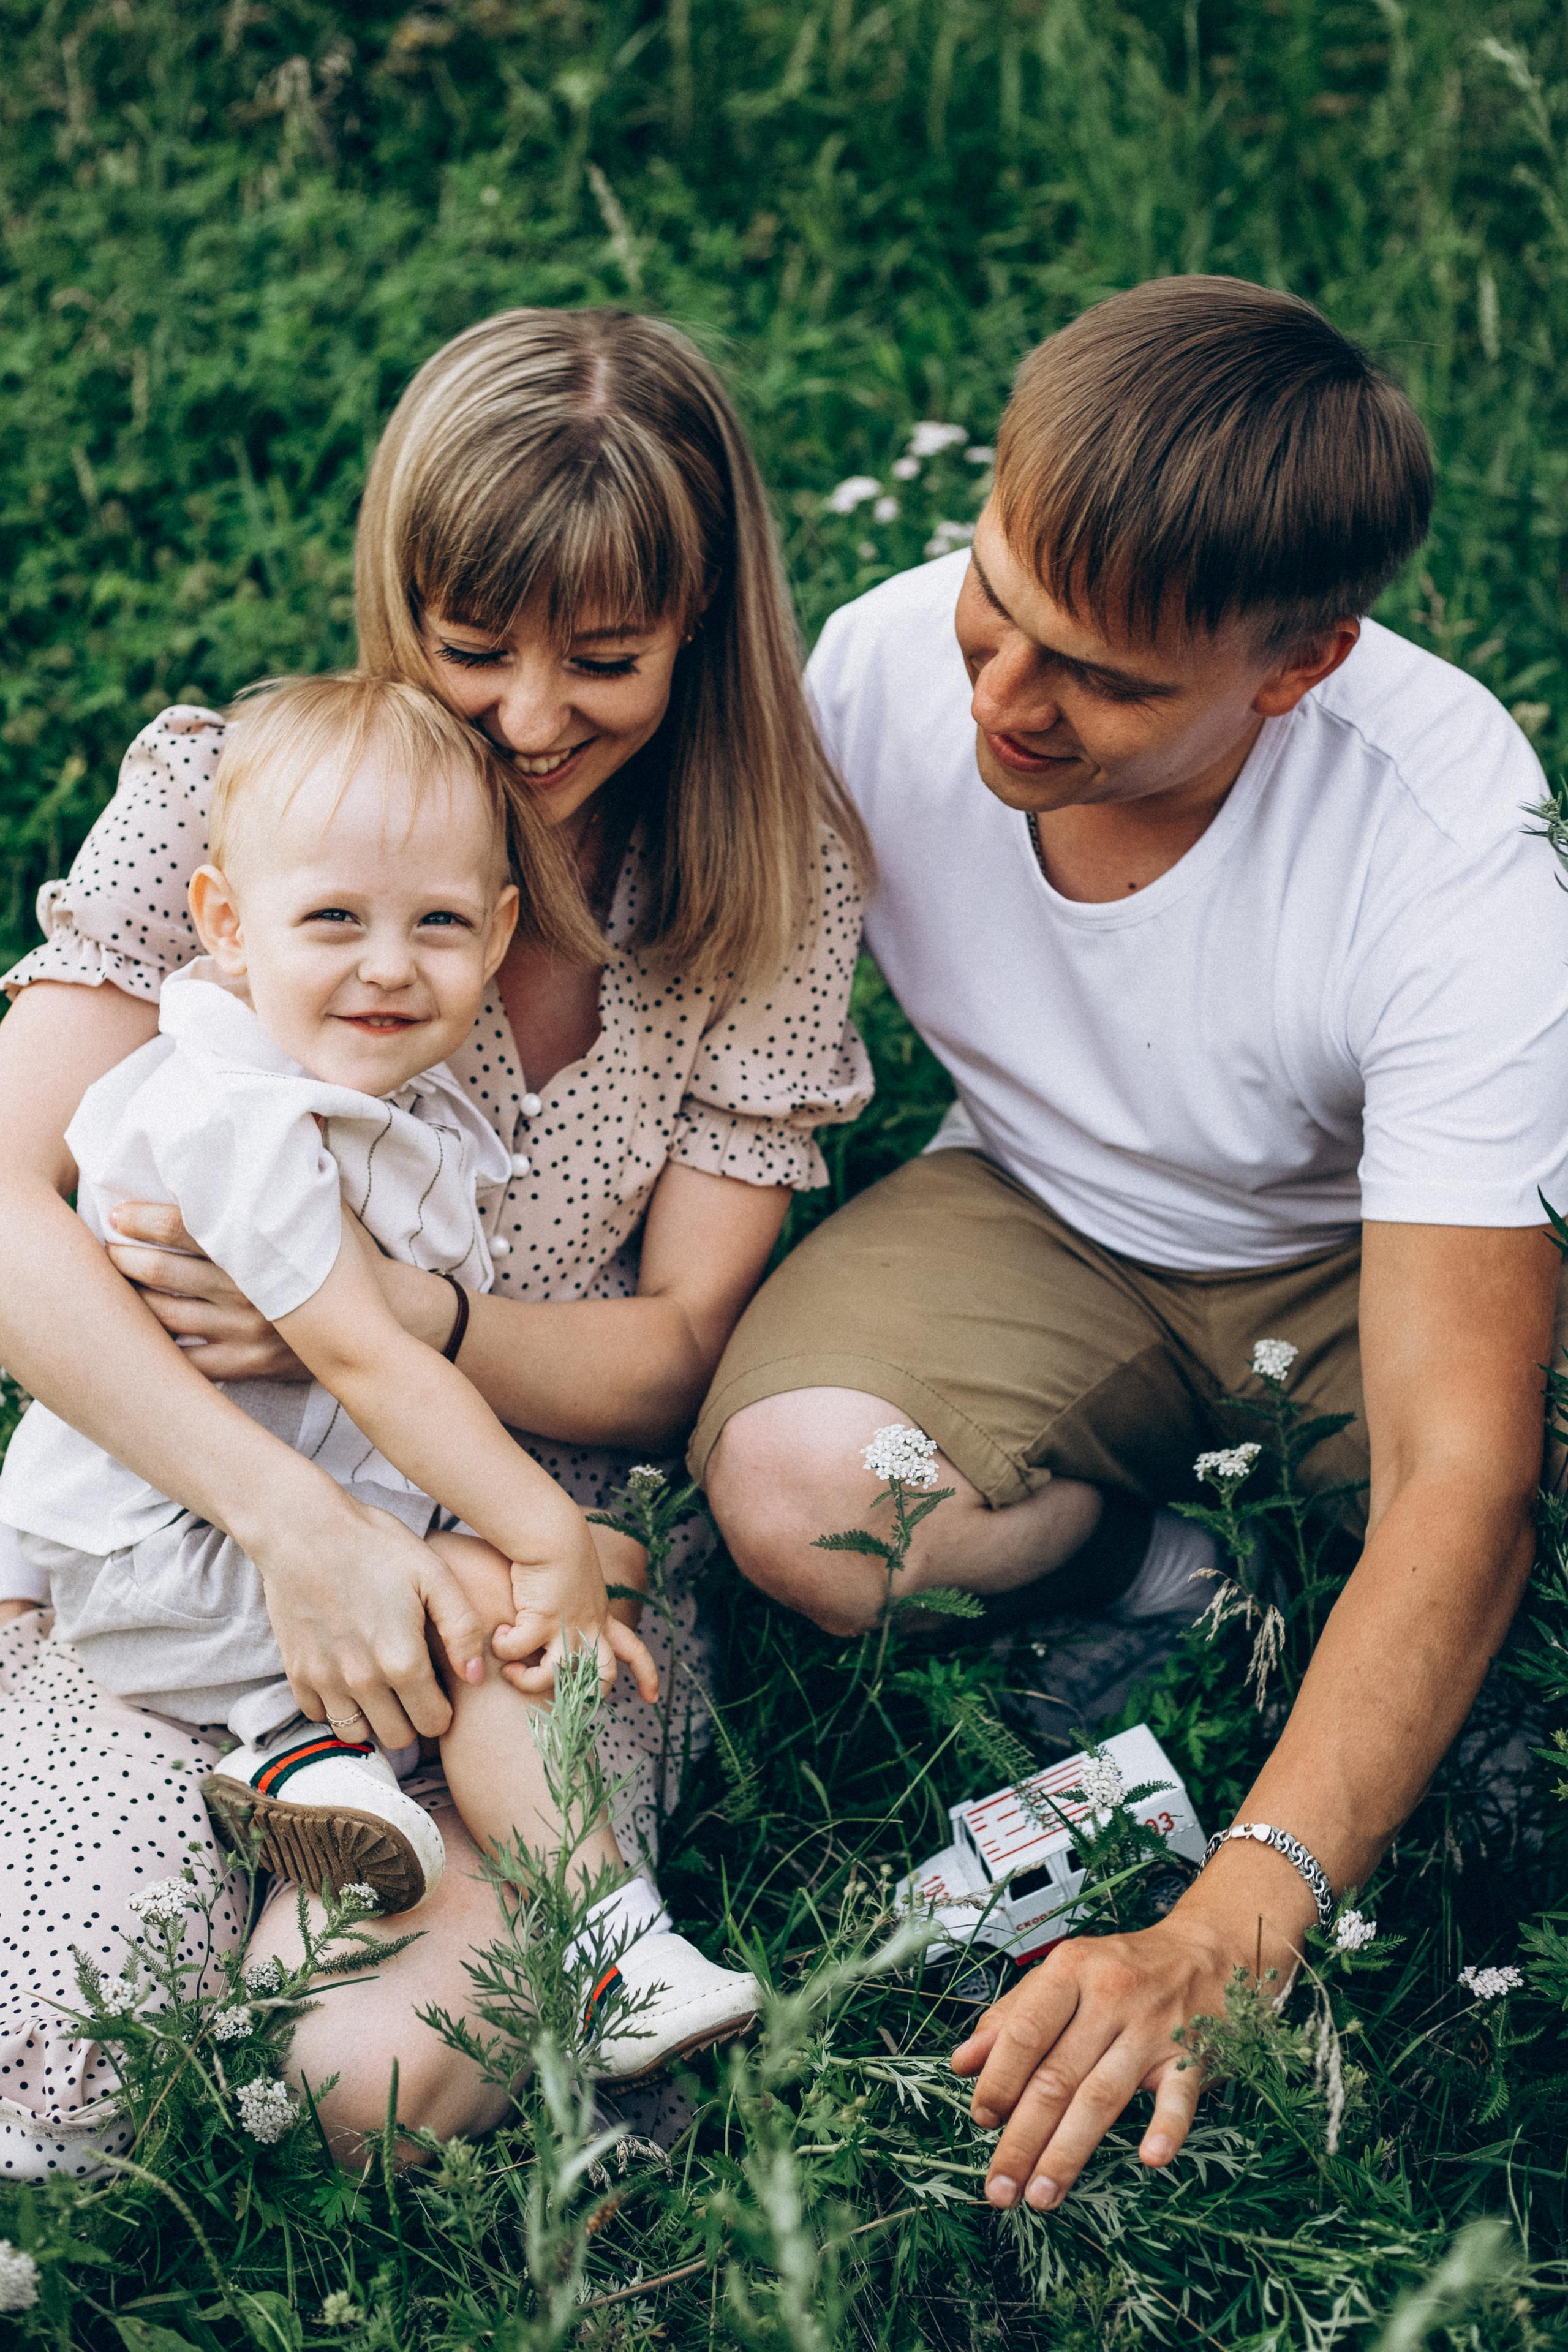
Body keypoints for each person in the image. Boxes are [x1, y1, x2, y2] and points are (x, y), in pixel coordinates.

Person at [696, 277, 1568, 2211]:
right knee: (796, 1491)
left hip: (1369, 1262)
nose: (1006, 695)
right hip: (1040, 1208)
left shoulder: (1447, 865)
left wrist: (1232, 1921)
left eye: (1100, 678)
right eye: (996, 598)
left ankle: (1362, 1707)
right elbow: (678, 1010)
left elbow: (1456, 1463)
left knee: (1495, 1523)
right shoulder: (872, 670)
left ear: (1299, 664)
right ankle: (1174, 1583)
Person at [0, 307, 870, 2176]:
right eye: (476, 653)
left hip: (527, 1567)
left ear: (701, 626)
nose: (537, 719)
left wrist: (389, 1315)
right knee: (52, 2056)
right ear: (402, 597)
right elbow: (3, 1209)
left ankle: (402, 1897)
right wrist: (292, 1519)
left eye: (609, 660)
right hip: (188, 1502)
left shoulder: (760, 888)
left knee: (361, 2088)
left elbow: (674, 1352)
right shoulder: (234, 798)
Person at [0, 668, 763, 2082]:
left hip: (227, 1542)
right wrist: (535, 1534)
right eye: (334, 921)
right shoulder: (241, 1119)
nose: (389, 966)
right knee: (503, 1595)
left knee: (536, 1577)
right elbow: (357, 1354)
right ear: (223, 924)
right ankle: (605, 1938)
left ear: (498, 934)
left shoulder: (359, 1090)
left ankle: (297, 1767)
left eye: (437, 927)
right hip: (174, 1553)